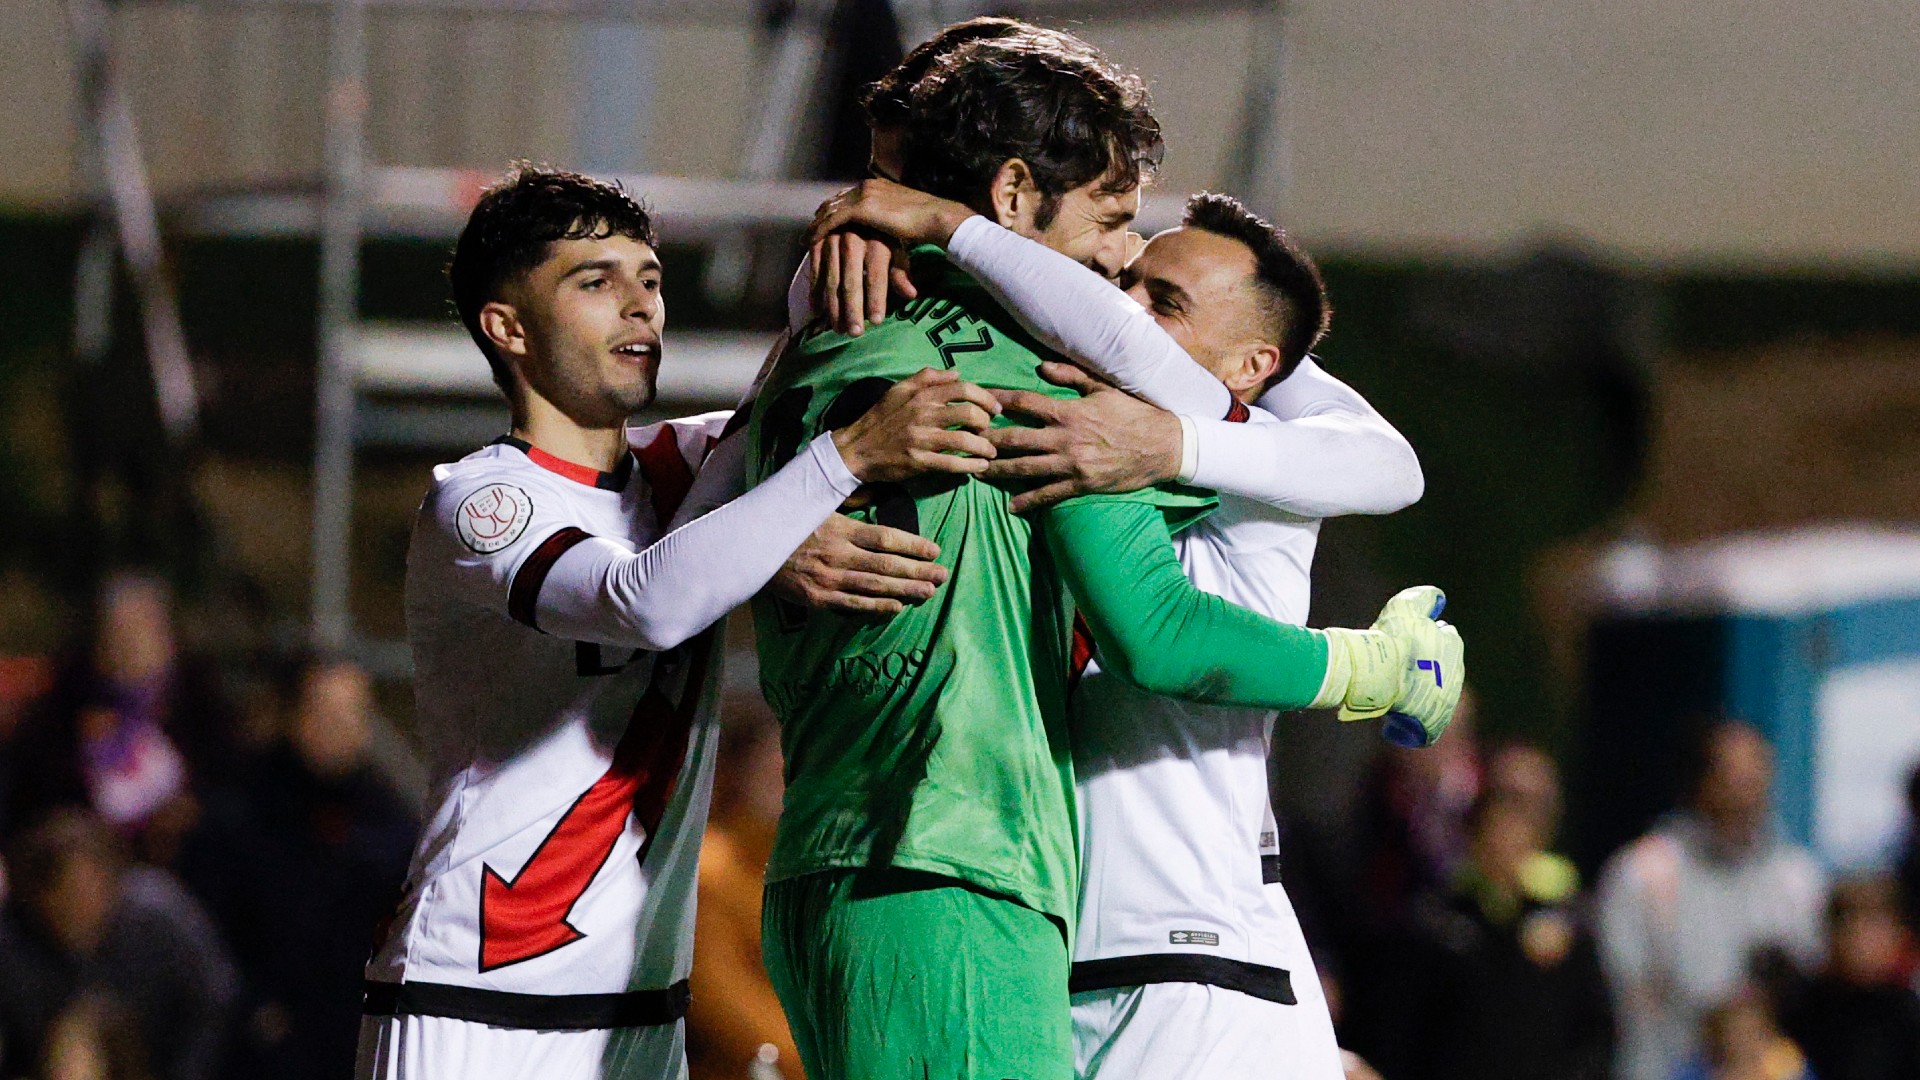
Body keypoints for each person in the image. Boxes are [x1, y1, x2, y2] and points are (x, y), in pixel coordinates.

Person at [745, 34, 1463, 1080]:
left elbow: (1386, 465)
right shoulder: (1042, 392)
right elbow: (1158, 628)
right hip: (962, 880)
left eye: (1162, 291)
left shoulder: (1231, 450)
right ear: (1015, 191)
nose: (1120, 278)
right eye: (1116, 227)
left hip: (1176, 963)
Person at [354, 164, 1011, 1080]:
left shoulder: (695, 462)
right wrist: (843, 459)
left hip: (646, 1017)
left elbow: (789, 365)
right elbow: (648, 600)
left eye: (651, 280)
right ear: (509, 328)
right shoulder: (483, 502)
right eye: (596, 282)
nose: (641, 307)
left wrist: (850, 241)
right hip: (477, 1004)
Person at [175, 653, 418, 1080]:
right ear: (295, 717)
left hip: (352, 1041)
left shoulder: (391, 826)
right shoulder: (240, 814)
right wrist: (255, 1008)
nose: (340, 727)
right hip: (257, 1048)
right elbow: (204, 935)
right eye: (326, 713)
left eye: (353, 714)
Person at [1597, 720, 1826, 1080]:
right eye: (1732, 781)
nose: (1745, 799)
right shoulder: (1642, 873)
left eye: (1755, 781)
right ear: (1700, 784)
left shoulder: (1797, 877)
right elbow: (1620, 995)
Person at [1387, 744, 1613, 1080]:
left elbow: (1594, 1034)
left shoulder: (1567, 915)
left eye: (1537, 807)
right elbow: (1402, 1035)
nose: (1520, 823)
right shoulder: (1438, 916)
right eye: (1508, 803)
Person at [0, 810, 237, 1080]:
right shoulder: (15, 942)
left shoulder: (158, 914)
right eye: (64, 895)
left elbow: (214, 996)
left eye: (87, 887)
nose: (81, 905)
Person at [684, 704, 803, 1080]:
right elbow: (717, 990)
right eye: (770, 760)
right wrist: (813, 1056)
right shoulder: (711, 865)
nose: (782, 772)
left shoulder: (818, 863)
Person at [1778, 876, 1920, 1080]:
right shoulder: (1801, 1007)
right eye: (1860, 928)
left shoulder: (1907, 1012)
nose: (1869, 943)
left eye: (1881, 929)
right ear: (1834, 935)